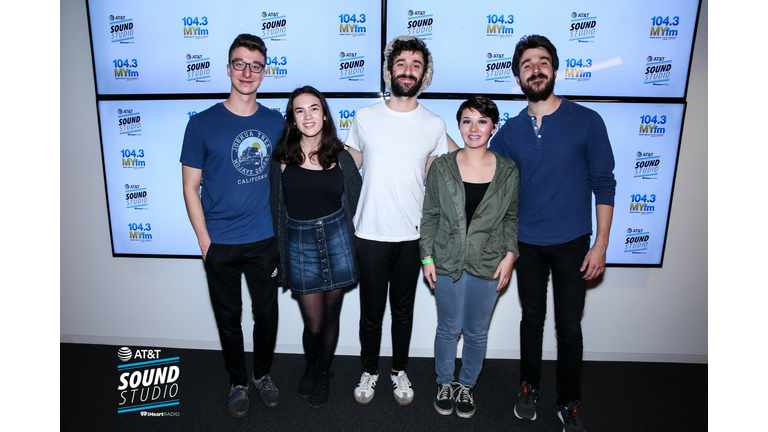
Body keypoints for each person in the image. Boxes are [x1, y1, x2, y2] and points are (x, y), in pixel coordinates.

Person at [489, 35, 616, 432]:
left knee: (569, 327)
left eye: (543, 62)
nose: (536, 69)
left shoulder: (587, 121)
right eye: (527, 64)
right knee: (532, 320)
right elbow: (490, 180)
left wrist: (601, 244)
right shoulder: (508, 134)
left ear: (555, 69)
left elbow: (604, 183)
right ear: (518, 76)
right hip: (525, 243)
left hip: (573, 244)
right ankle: (529, 388)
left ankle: (569, 403)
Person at [344, 35, 455, 406]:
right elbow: (346, 167)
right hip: (370, 233)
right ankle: (370, 370)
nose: (408, 71)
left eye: (416, 65)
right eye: (402, 63)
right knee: (371, 312)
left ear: (424, 75)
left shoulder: (434, 125)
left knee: (403, 312)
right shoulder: (363, 117)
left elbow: (440, 173)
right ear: (390, 69)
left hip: (412, 237)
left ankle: (399, 371)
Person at [180, 33, 284, 418]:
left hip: (265, 240)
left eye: (255, 65)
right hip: (220, 243)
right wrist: (205, 241)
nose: (247, 72)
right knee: (228, 319)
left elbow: (298, 165)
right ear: (228, 69)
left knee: (267, 315)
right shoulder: (202, 124)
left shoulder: (276, 122)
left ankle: (263, 375)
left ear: (263, 72)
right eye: (240, 64)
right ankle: (238, 382)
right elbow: (191, 187)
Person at [420, 96, 520, 419]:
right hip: (446, 261)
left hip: (489, 263)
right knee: (448, 328)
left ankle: (466, 385)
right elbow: (430, 215)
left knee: (477, 331)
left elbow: (511, 218)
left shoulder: (508, 170)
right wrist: (426, 257)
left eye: (481, 121)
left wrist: (510, 255)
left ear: (493, 126)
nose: (473, 128)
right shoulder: (442, 166)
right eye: (466, 120)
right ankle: (444, 382)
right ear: (458, 125)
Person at [269, 86, 362, 409]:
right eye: (299, 110)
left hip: (337, 241)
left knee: (332, 316)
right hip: (300, 244)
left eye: (313, 108)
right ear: (292, 119)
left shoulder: (343, 157)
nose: (307, 116)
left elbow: (357, 204)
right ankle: (311, 364)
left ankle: (323, 372)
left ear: (324, 114)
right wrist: (278, 254)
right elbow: (275, 210)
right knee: (314, 322)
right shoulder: (281, 159)